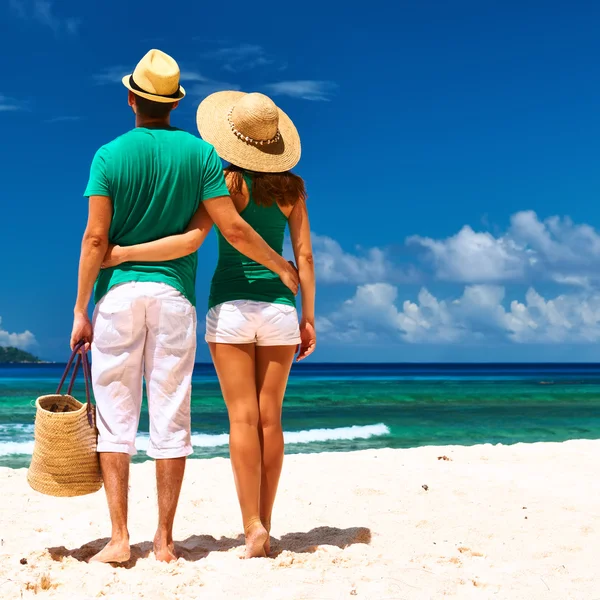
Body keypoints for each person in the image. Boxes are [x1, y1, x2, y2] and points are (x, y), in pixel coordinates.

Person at [70, 53, 299, 564]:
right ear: (175, 103)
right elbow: (227, 231)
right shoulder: (200, 157)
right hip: (174, 296)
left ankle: (119, 537)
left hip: (116, 295)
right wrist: (281, 268)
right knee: (170, 414)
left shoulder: (108, 155)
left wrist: (80, 309)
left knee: (115, 417)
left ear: (131, 98)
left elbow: (94, 239)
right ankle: (165, 542)